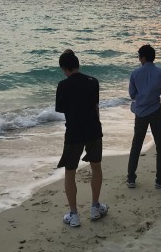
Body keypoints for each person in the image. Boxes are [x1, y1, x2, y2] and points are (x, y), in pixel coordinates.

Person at [55, 49, 108, 227]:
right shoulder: (93, 82)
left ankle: (74, 214)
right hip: (94, 130)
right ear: (77, 65)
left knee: (70, 172)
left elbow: (62, 110)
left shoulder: (63, 85)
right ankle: (95, 207)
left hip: (74, 132)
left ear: (64, 68)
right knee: (96, 167)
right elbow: (95, 107)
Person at [126, 44, 161, 189]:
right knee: (160, 145)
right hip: (156, 111)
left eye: (139, 56)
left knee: (136, 144)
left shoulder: (135, 74)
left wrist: (141, 98)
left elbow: (132, 94)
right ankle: (160, 178)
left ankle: (131, 178)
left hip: (140, 112)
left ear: (142, 58)